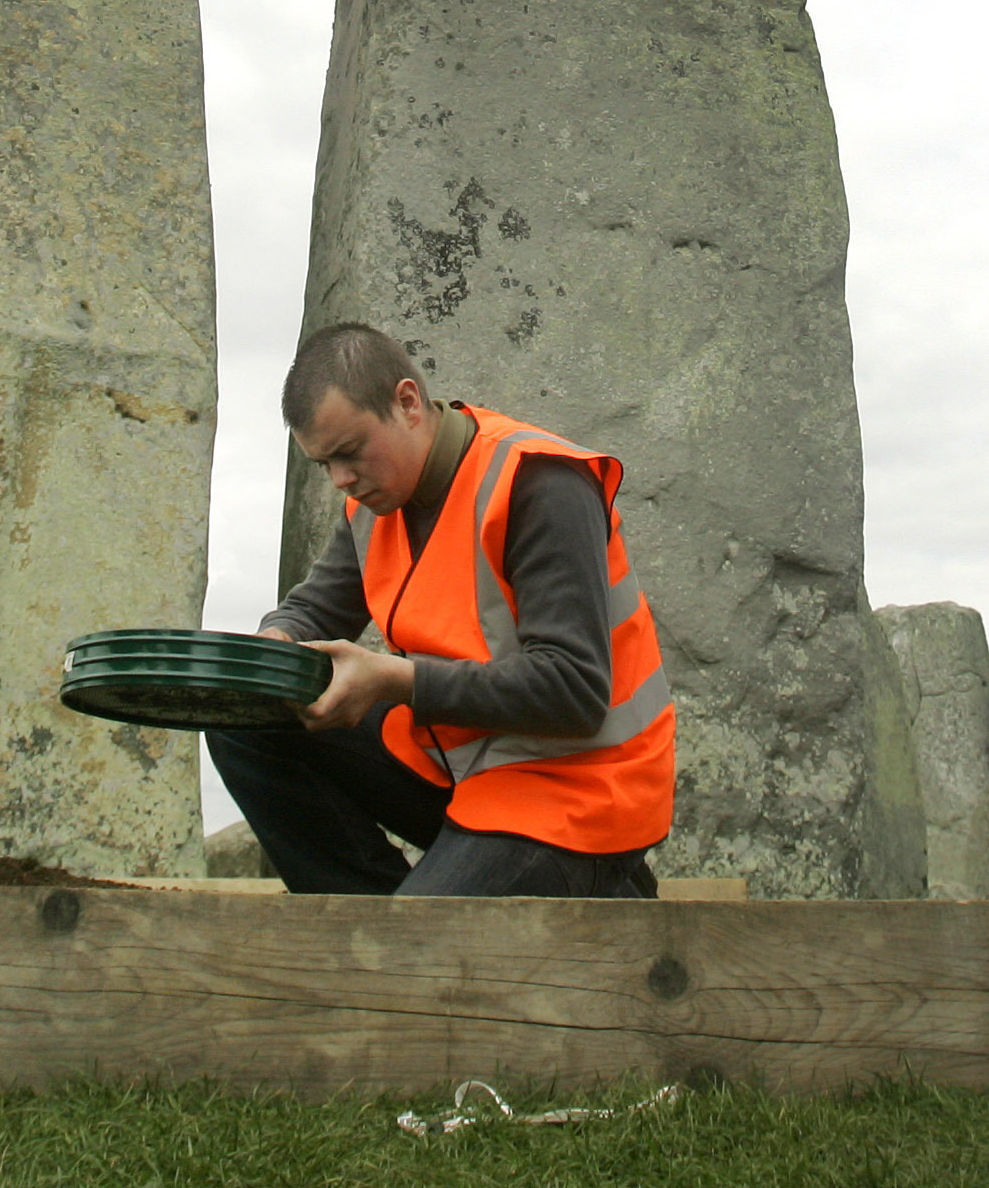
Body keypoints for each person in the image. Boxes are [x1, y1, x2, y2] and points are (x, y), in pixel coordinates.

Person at [209, 322, 674, 897]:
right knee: (244, 719)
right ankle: (367, 923)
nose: (341, 480)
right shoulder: (374, 503)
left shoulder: (536, 480)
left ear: (406, 402)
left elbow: (572, 691)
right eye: (322, 465)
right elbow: (314, 610)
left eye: (349, 453)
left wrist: (391, 680)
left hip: (579, 792)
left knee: (412, 950)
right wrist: (277, 642)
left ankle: (589, 882)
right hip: (462, 771)